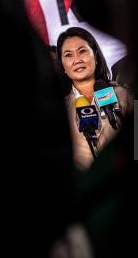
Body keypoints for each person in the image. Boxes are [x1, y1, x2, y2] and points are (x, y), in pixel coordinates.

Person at [56, 27, 133, 170]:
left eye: (82, 51)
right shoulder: (59, 109)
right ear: (63, 67)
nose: (77, 59)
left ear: (95, 56)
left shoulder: (125, 95)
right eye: (68, 55)